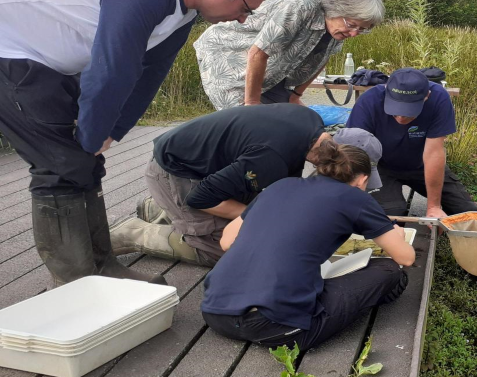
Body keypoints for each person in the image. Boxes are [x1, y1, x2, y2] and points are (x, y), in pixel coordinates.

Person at [0, 0, 272, 287]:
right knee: (61, 165)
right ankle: (76, 280)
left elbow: (150, 71)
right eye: (245, 8)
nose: (243, 19)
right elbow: (114, 66)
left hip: (47, 57)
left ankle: (102, 265)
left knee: (82, 162)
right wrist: (90, 135)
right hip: (9, 46)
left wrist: (112, 129)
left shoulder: (184, 7)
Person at [201, 139, 415, 351]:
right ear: (362, 180)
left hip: (215, 314)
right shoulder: (356, 198)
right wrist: (395, 233)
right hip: (276, 328)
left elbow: (227, 241)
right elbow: (406, 257)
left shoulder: (281, 185)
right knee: (390, 272)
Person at [110, 103, 382, 266]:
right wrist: (262, 215)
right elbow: (201, 198)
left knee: (257, 221)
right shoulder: (271, 157)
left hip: (216, 169)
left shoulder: (312, 124)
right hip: (179, 173)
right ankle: (134, 232)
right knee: (225, 249)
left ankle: (161, 208)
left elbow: (284, 186)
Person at [194, 0, 385, 110]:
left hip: (272, 72)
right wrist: (251, 104)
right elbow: (258, 53)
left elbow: (321, 60)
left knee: (295, 124)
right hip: (228, 55)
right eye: (352, 25)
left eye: (362, 29)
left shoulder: (336, 29)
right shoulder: (303, 5)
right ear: (337, 7)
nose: (354, 34)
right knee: (249, 128)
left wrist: (295, 95)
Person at [345, 68, 477, 219]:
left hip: (420, 164)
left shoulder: (439, 98)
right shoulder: (370, 100)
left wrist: (433, 206)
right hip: (380, 167)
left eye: (409, 111)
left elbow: (434, 154)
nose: (401, 117)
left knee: (467, 211)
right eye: (395, 109)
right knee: (392, 214)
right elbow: (355, 151)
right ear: (387, 90)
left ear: (426, 96)